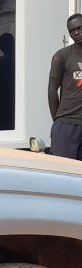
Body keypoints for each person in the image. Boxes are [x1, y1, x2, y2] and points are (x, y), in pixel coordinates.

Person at [48, 14, 82, 159]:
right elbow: (51, 90)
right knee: (64, 173)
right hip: (68, 123)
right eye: (72, 30)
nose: (76, 33)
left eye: (79, 28)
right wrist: (57, 120)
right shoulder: (61, 56)